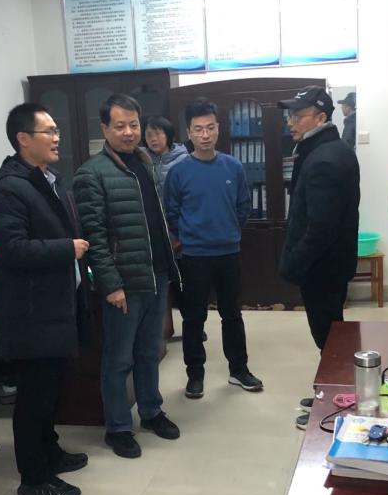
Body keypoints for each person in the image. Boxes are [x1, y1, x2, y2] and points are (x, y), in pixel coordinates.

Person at [0, 102, 89, 495]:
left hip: (56, 306)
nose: (57, 137)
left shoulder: (46, 180)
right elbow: (12, 249)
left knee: (51, 389)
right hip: (33, 314)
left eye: (56, 130)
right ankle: (33, 478)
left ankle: (50, 452)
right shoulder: (9, 188)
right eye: (49, 131)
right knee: (34, 397)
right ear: (23, 139)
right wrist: (67, 248)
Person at [74, 93, 181, 459]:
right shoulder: (91, 174)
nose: (129, 132)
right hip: (123, 283)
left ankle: (150, 411)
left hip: (155, 274)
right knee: (119, 359)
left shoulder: (145, 162)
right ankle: (118, 427)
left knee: (150, 351)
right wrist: (111, 284)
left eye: (133, 124)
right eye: (119, 126)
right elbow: (95, 238)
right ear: (105, 129)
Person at [164, 98, 261, 400]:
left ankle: (239, 370)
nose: (205, 135)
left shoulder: (233, 166)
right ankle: (195, 374)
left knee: (232, 314)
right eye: (198, 129)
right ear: (189, 133)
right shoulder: (179, 172)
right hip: (194, 256)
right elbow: (171, 212)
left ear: (219, 129)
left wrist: (227, 230)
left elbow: (244, 206)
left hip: (229, 252)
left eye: (210, 128)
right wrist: (190, 236)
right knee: (194, 318)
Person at [279, 85, 360, 351]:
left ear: (321, 118)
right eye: (290, 116)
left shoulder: (324, 160)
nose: (290, 122)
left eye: (297, 116)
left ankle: (341, 378)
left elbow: (321, 228)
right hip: (330, 265)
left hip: (322, 268)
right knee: (334, 336)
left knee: (330, 340)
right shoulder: (327, 150)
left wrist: (294, 263)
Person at [143, 115, 189, 184]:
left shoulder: (184, 160)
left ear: (168, 134)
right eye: (149, 135)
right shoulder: (143, 158)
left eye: (157, 134)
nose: (153, 139)